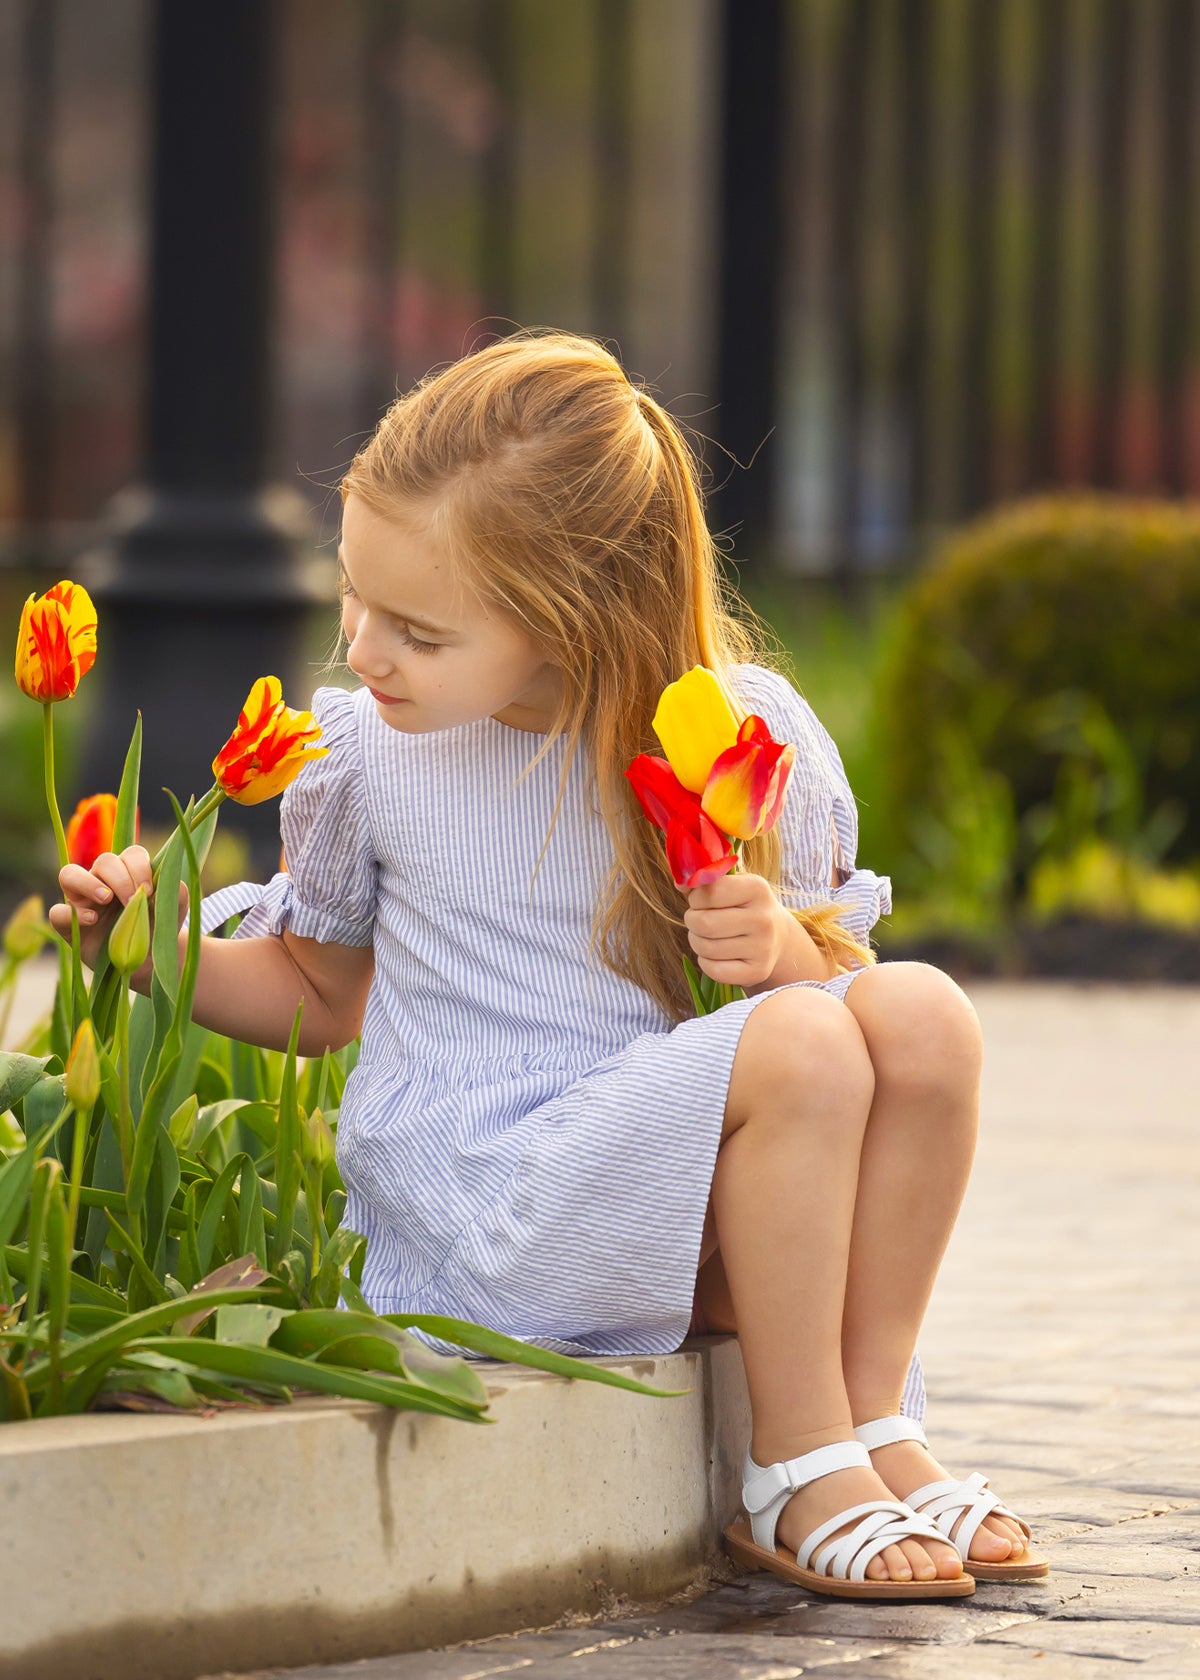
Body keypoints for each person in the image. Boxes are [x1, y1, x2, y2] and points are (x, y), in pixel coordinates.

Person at [52, 329, 1044, 1600]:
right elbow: (320, 992)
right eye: (353, 596)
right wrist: (158, 956)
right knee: (800, 1039)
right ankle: (792, 1464)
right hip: (484, 1200)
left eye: (417, 627)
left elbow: (833, 1018)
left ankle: (873, 1417)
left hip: (654, 1196)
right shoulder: (373, 753)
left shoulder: (732, 735)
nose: (363, 649)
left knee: (921, 1013)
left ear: (578, 608)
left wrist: (783, 948)